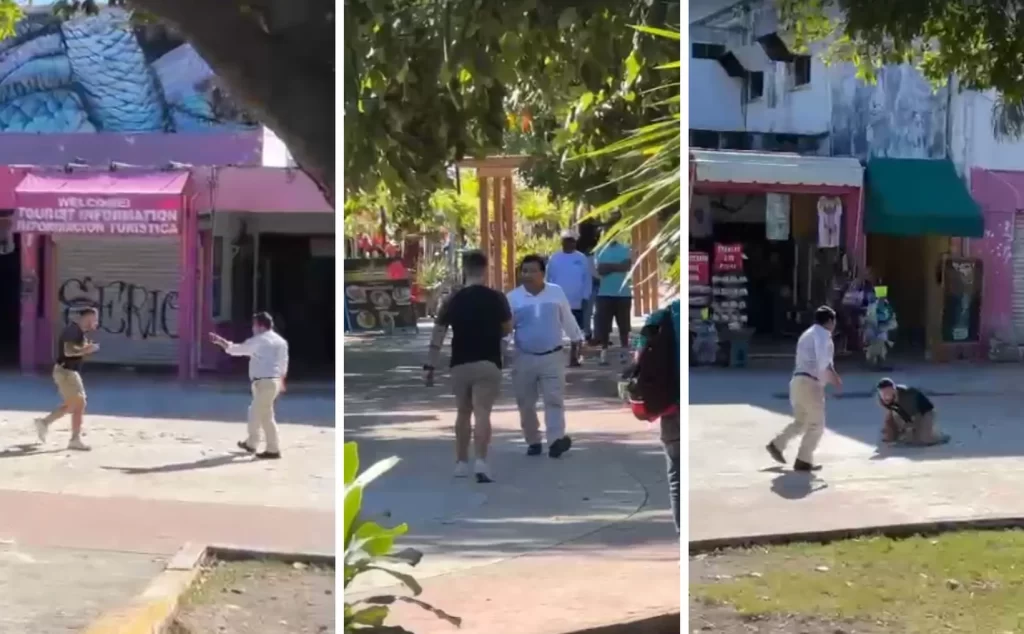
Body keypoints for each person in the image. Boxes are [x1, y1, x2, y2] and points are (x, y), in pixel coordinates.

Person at [425, 250, 512, 483]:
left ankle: (461, 463)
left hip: (460, 363)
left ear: (464, 269)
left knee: (463, 412)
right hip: (488, 361)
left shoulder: (451, 299)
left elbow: (438, 333)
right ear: (486, 269)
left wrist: (430, 365)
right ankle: (481, 462)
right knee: (482, 412)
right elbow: (507, 328)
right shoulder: (497, 298)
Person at [507, 254, 584, 458]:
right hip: (524, 357)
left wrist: (577, 338)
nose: (528, 275)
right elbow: (507, 330)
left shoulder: (556, 293)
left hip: (553, 356)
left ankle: (556, 440)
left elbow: (567, 318)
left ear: (543, 273)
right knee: (526, 403)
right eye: (524, 271)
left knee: (554, 400)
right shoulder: (513, 298)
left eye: (533, 271)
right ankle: (533, 440)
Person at [766, 305, 842, 471]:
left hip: (797, 381)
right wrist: (834, 378)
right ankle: (803, 459)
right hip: (810, 382)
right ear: (829, 321)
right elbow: (823, 363)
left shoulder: (807, 333)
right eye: (834, 321)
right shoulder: (823, 335)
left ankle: (777, 444)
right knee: (817, 425)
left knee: (801, 421)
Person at [209, 312, 289, 459]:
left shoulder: (259, 340)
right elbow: (283, 364)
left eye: (254, 324)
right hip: (273, 382)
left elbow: (236, 350)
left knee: (255, 413)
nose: (253, 328)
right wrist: (282, 381)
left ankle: (253, 444)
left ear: (260, 325)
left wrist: (221, 342)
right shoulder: (280, 341)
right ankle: (271, 448)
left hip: (263, 382)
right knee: (266, 416)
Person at [34, 306, 101, 450]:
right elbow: (68, 352)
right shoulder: (73, 330)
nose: (96, 322)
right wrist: (87, 349)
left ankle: (48, 425)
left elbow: (75, 350)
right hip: (65, 372)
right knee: (78, 401)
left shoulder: (80, 333)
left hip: (71, 372)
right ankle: (71, 437)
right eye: (94, 319)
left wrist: (87, 347)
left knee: (77, 404)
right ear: (87, 317)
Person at [545, 230, 591, 366]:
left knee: (576, 330)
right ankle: (555, 357)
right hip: (558, 300)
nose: (569, 243)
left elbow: (587, 279)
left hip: (577, 300)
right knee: (556, 330)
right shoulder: (554, 258)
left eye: (572, 240)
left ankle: (574, 357)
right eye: (566, 240)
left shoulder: (581, 258)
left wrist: (585, 296)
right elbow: (548, 279)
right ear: (562, 242)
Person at [876, 378, 950, 446]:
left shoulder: (906, 396)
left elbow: (912, 418)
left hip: (925, 412)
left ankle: (940, 436)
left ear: (894, 390)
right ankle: (900, 435)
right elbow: (891, 411)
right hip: (903, 410)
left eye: (888, 392)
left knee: (923, 439)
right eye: (882, 393)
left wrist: (909, 432)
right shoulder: (882, 399)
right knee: (891, 434)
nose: (885, 395)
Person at [594, 238, 633, 365]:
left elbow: (626, 266)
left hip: (623, 294)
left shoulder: (625, 249)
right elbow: (600, 270)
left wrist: (609, 267)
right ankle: (604, 352)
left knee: (624, 325)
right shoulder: (600, 250)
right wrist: (618, 266)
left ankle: (624, 352)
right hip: (604, 293)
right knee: (604, 326)